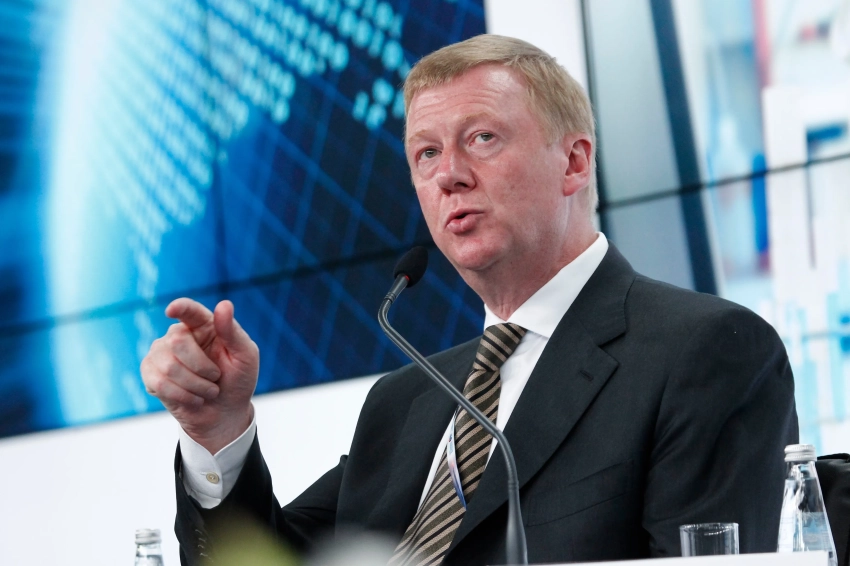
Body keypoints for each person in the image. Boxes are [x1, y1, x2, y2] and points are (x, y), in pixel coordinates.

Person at [141, 35, 798, 565]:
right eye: (426, 153)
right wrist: (217, 432)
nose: (448, 174)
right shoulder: (403, 401)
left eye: (482, 138)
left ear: (574, 163)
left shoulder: (704, 351)